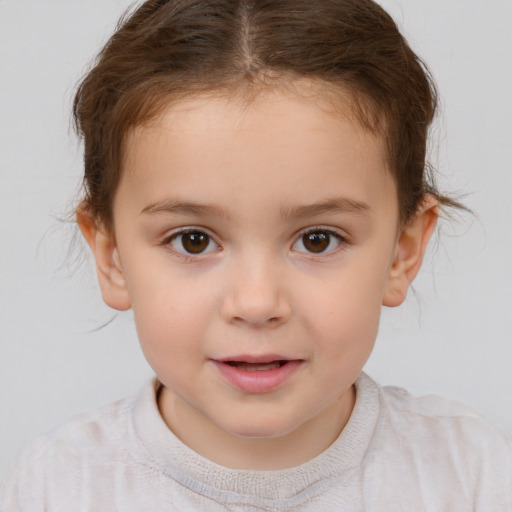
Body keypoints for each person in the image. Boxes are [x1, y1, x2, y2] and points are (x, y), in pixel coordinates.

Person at [1, 0, 511, 509]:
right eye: (193, 240)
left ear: (403, 252)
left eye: (318, 239)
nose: (256, 302)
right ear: (111, 256)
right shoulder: (54, 487)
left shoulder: (472, 477)